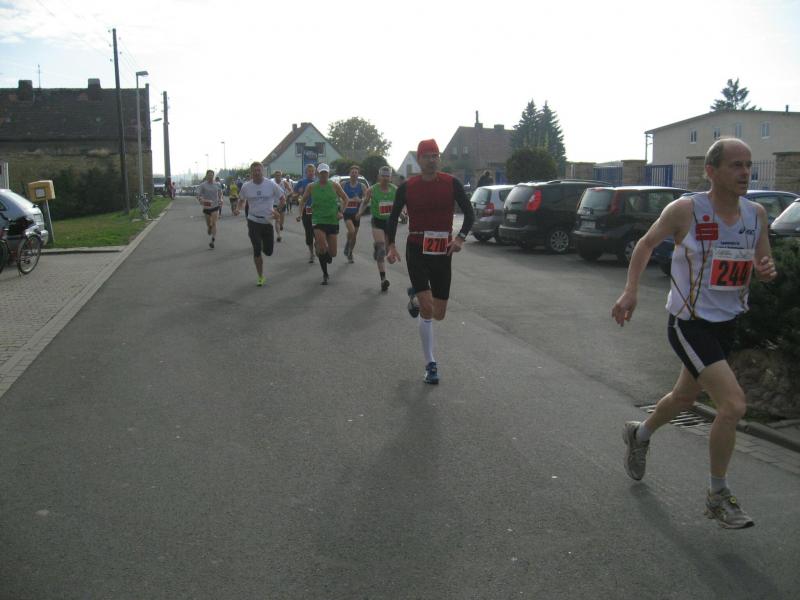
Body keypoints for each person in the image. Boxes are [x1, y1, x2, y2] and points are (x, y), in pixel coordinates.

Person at [612, 138, 777, 529]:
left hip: (727, 323)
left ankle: (640, 434)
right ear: (711, 171)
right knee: (733, 405)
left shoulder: (756, 214)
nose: (745, 172)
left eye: (748, 165)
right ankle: (718, 495)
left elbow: (763, 263)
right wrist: (631, 290)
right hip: (689, 322)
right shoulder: (686, 210)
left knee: (685, 397)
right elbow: (645, 245)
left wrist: (766, 270)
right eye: (736, 165)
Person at [386, 139, 475, 384]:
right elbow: (393, 217)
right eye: (427, 156)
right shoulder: (408, 187)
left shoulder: (451, 183)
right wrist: (391, 245)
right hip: (416, 248)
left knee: (439, 314)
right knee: (427, 309)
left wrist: (460, 238)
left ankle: (415, 297)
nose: (432, 160)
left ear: (439, 158)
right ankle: (430, 364)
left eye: (435, 155)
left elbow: (470, 213)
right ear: (419, 159)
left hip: (443, 251)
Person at [235, 161, 285, 286]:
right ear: (251, 172)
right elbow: (241, 200)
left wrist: (278, 211)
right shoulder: (246, 186)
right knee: (256, 249)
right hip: (253, 220)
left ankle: (263, 244)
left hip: (267, 221)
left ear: (262, 171)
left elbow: (283, 199)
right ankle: (260, 276)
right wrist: (238, 208)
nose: (257, 173)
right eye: (254, 171)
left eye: (259, 170)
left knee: (268, 252)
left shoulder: (271, 184)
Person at [301, 163, 349, 285]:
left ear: (328, 173)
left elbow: (346, 199)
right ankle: (325, 274)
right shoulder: (311, 186)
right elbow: (303, 200)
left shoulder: (335, 185)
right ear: (318, 173)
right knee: (322, 247)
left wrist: (341, 212)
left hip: (332, 221)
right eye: (321, 173)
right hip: (318, 220)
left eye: (325, 173)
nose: (323, 175)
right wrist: (300, 212)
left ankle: (320, 249)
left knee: (333, 253)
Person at [358, 165, 396, 292]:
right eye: (383, 176)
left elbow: (398, 206)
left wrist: (402, 214)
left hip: (390, 224)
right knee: (381, 251)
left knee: (390, 258)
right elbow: (364, 202)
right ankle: (383, 279)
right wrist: (360, 212)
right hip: (377, 222)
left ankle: (378, 247)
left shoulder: (395, 190)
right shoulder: (372, 190)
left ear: (390, 177)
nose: (385, 178)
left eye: (387, 176)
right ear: (379, 177)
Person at [340, 165, 367, 264]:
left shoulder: (362, 186)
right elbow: (337, 196)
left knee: (354, 236)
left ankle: (350, 252)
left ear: (358, 175)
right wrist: (343, 202)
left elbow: (366, 200)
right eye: (352, 172)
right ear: (349, 174)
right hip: (346, 212)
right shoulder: (343, 184)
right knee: (351, 231)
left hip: (356, 214)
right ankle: (348, 244)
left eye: (356, 172)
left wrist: (360, 200)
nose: (354, 174)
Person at [294, 164, 317, 263]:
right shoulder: (301, 182)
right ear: (306, 172)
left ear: (315, 172)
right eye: (309, 171)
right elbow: (294, 195)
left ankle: (317, 245)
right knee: (309, 234)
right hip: (306, 211)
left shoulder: (318, 182)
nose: (311, 173)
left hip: (317, 211)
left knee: (318, 232)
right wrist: (298, 193)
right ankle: (311, 253)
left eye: (312, 171)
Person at [197, 169, 221, 248]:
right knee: (209, 224)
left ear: (213, 176)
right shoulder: (203, 185)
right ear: (206, 176)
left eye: (212, 175)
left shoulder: (217, 184)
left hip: (215, 206)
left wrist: (221, 199)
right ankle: (209, 227)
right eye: (209, 175)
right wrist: (201, 199)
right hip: (207, 206)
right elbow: (199, 195)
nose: (210, 176)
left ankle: (212, 240)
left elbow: (220, 193)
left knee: (214, 223)